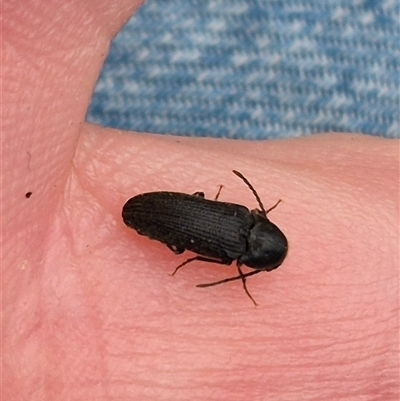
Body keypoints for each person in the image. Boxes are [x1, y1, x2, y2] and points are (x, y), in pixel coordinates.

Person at [2, 1, 399, 399]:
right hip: (167, 217)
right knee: (182, 246)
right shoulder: (229, 253)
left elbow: (214, 213)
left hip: (174, 209)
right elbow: (195, 248)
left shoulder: (242, 216)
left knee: (189, 221)